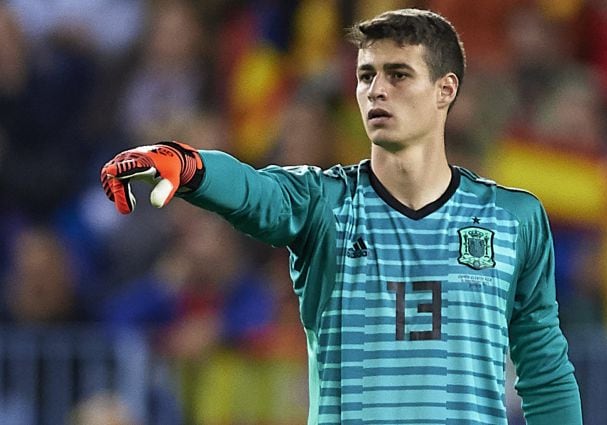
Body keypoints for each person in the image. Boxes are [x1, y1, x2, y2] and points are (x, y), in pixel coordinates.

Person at [100, 8, 582, 424]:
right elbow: (253, 191)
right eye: (366, 75)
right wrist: (191, 166)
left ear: (445, 90)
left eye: (398, 74)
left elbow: (543, 371)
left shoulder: (514, 217)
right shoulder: (322, 205)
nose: (376, 90)